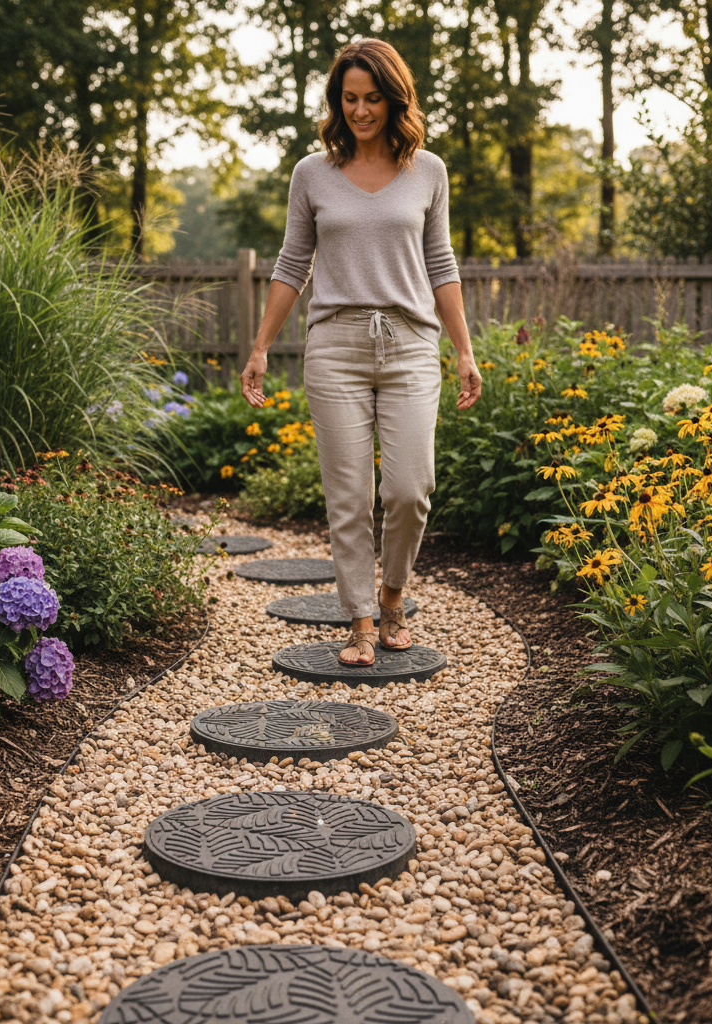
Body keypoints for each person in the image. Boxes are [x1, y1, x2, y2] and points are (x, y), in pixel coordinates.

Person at [239, 38, 481, 667]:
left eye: (373, 98)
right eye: (349, 98)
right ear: (336, 100)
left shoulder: (428, 171)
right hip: (335, 347)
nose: (361, 110)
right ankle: (361, 620)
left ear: (395, 100)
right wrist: (261, 347)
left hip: (410, 345)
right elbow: (292, 263)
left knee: (409, 489)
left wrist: (464, 350)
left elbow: (440, 263)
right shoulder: (311, 174)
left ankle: (393, 594)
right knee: (349, 496)